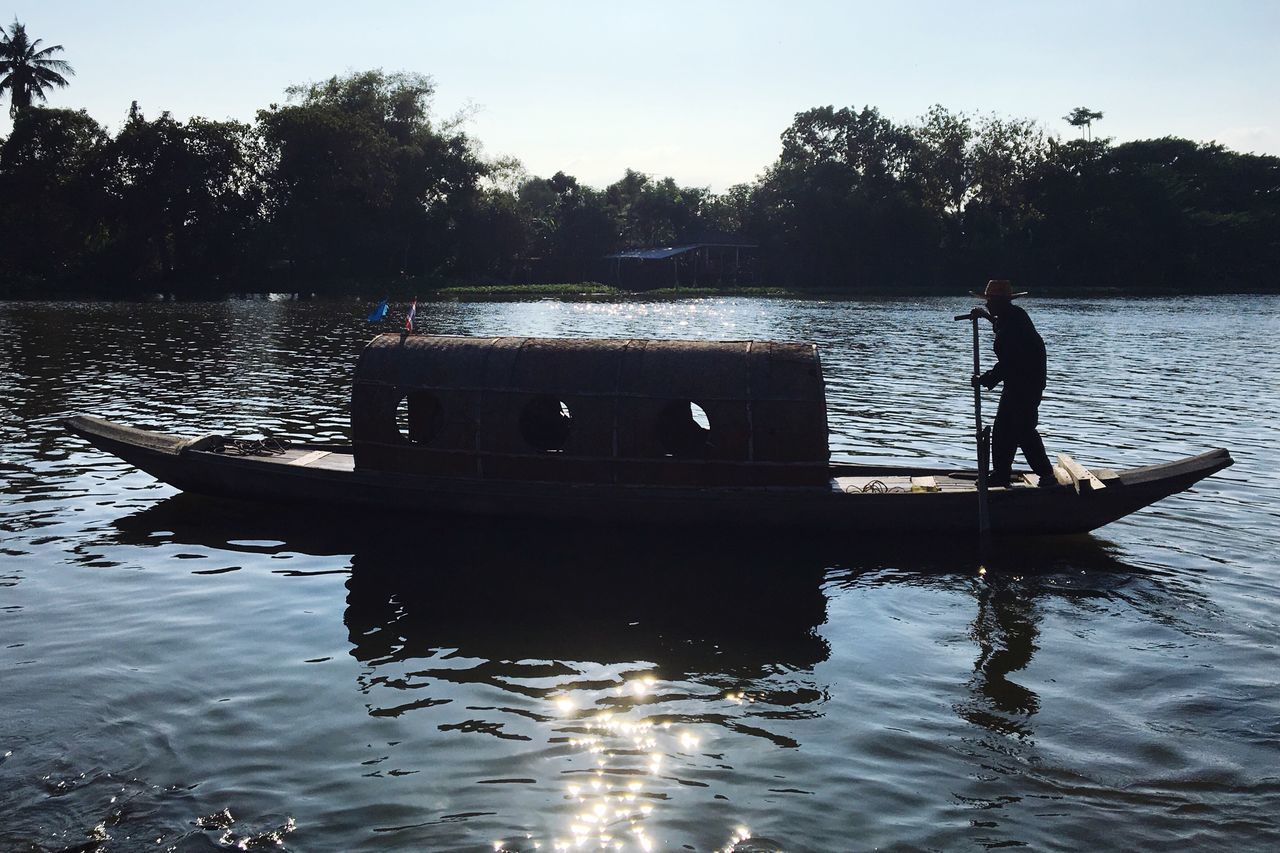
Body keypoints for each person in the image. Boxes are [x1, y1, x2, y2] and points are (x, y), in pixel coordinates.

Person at [968, 279, 1056, 488]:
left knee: (1023, 430)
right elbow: (1000, 327)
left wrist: (985, 379)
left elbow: (1009, 362)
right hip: (1019, 382)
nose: (988, 304)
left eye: (990, 301)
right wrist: (985, 316)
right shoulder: (1012, 317)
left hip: (1026, 384)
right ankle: (1001, 474)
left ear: (1001, 302)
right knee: (1003, 430)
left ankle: (1046, 474)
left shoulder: (1014, 325)